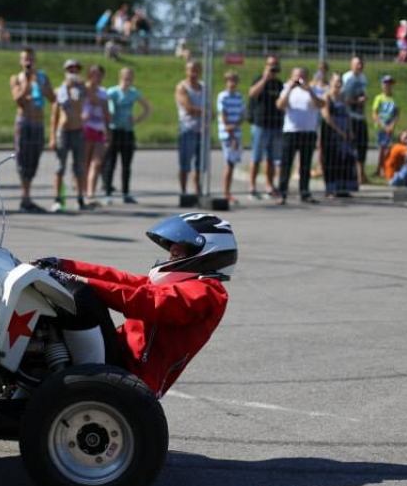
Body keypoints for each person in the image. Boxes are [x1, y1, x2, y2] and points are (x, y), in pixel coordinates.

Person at [32, 212, 234, 398]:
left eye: (176, 254)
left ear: (206, 254)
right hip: (122, 357)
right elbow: (121, 280)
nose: (169, 259)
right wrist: (64, 265)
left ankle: (84, 382)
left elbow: (146, 301)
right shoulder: (179, 284)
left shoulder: (208, 292)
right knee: (61, 293)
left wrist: (74, 279)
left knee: (80, 295)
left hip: (132, 373)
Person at [9, 47, 55, 213]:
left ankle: (27, 197)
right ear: (21, 61)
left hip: (38, 123)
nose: (29, 62)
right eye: (25, 59)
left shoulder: (42, 77)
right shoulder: (17, 78)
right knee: (23, 160)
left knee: (34, 160)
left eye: (31, 59)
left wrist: (41, 84)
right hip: (24, 122)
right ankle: (25, 197)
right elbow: (18, 100)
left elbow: (52, 98)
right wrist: (28, 82)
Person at [275, 66, 324, 205]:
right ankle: (282, 193)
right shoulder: (287, 88)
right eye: (296, 76)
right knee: (286, 163)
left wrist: (310, 91)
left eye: (302, 76)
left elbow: (321, 104)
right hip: (290, 131)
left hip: (308, 132)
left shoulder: (314, 89)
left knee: (305, 164)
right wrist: (290, 89)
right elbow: (279, 105)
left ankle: (304, 192)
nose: (299, 79)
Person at [103, 66, 149, 206]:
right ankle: (108, 193)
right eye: (125, 78)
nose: (127, 81)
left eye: (130, 79)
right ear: (120, 78)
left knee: (126, 164)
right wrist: (107, 119)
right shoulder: (112, 92)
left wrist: (136, 119)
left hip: (128, 131)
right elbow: (102, 103)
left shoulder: (134, 93)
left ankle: (126, 193)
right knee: (111, 163)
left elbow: (147, 108)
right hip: (114, 130)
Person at [49, 59, 88, 212]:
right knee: (60, 167)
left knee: (79, 167)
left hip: (78, 131)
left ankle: (80, 198)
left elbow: (87, 100)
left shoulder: (81, 89)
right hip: (63, 132)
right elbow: (54, 116)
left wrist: (80, 85)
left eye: (76, 69)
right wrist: (52, 137)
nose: (73, 71)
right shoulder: (60, 91)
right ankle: (57, 199)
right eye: (70, 69)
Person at [247, 55, 284, 198]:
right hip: (260, 124)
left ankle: (269, 185)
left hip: (275, 124)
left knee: (271, 159)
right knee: (256, 157)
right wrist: (265, 78)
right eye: (271, 65)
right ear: (266, 66)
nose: (274, 68)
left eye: (276, 65)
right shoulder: (259, 80)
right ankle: (252, 187)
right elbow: (252, 94)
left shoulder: (279, 84)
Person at [319, 72, 358, 198]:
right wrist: (339, 131)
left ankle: (343, 188)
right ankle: (330, 189)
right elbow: (326, 116)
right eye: (336, 81)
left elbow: (348, 115)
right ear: (331, 82)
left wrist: (350, 131)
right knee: (331, 160)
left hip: (344, 133)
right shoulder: (327, 97)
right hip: (331, 133)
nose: (338, 84)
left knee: (344, 160)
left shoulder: (342, 97)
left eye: (340, 81)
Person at [175, 60, 204, 202]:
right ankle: (184, 191)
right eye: (191, 70)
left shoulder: (203, 86)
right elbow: (188, 108)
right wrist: (205, 112)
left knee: (199, 164)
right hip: (187, 128)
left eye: (196, 70)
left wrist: (205, 113)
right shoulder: (182, 87)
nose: (194, 73)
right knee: (185, 163)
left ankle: (198, 191)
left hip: (202, 129)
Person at [81, 64, 108, 206]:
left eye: (98, 74)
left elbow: (105, 110)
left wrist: (108, 129)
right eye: (93, 73)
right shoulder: (83, 88)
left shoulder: (103, 91)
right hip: (86, 127)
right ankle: (84, 193)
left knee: (97, 163)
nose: (95, 77)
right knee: (85, 162)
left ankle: (91, 193)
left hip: (99, 129)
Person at [216, 71, 245, 203]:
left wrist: (236, 127)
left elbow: (242, 114)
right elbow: (223, 114)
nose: (232, 83)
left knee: (232, 163)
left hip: (236, 133)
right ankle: (226, 192)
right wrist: (231, 131)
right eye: (230, 80)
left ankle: (228, 191)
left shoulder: (239, 97)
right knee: (229, 162)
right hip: (227, 134)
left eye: (234, 81)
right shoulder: (222, 96)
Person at [341, 56, 369, 185]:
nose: (360, 66)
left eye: (361, 64)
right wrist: (356, 101)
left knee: (363, 145)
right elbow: (343, 98)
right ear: (351, 64)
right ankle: (351, 175)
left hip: (361, 115)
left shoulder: (363, 78)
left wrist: (363, 99)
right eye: (357, 64)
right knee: (351, 146)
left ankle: (361, 175)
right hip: (350, 115)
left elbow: (364, 93)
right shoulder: (347, 78)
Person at [372, 75, 400, 179]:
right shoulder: (379, 98)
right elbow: (375, 114)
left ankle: (385, 167)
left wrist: (392, 125)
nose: (388, 86)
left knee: (387, 148)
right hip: (381, 127)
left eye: (390, 84)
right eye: (386, 83)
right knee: (381, 148)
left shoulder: (394, 99)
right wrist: (383, 126)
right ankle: (380, 168)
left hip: (390, 127)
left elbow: (397, 113)